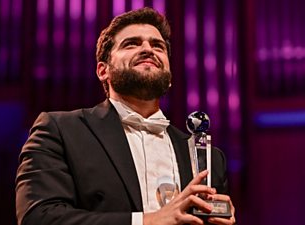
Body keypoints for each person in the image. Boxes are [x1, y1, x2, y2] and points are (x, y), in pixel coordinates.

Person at [15, 7, 235, 225]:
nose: (148, 49)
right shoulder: (59, 130)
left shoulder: (209, 157)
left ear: (169, 77)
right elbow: (39, 217)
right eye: (132, 43)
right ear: (103, 70)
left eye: (157, 45)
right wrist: (148, 221)